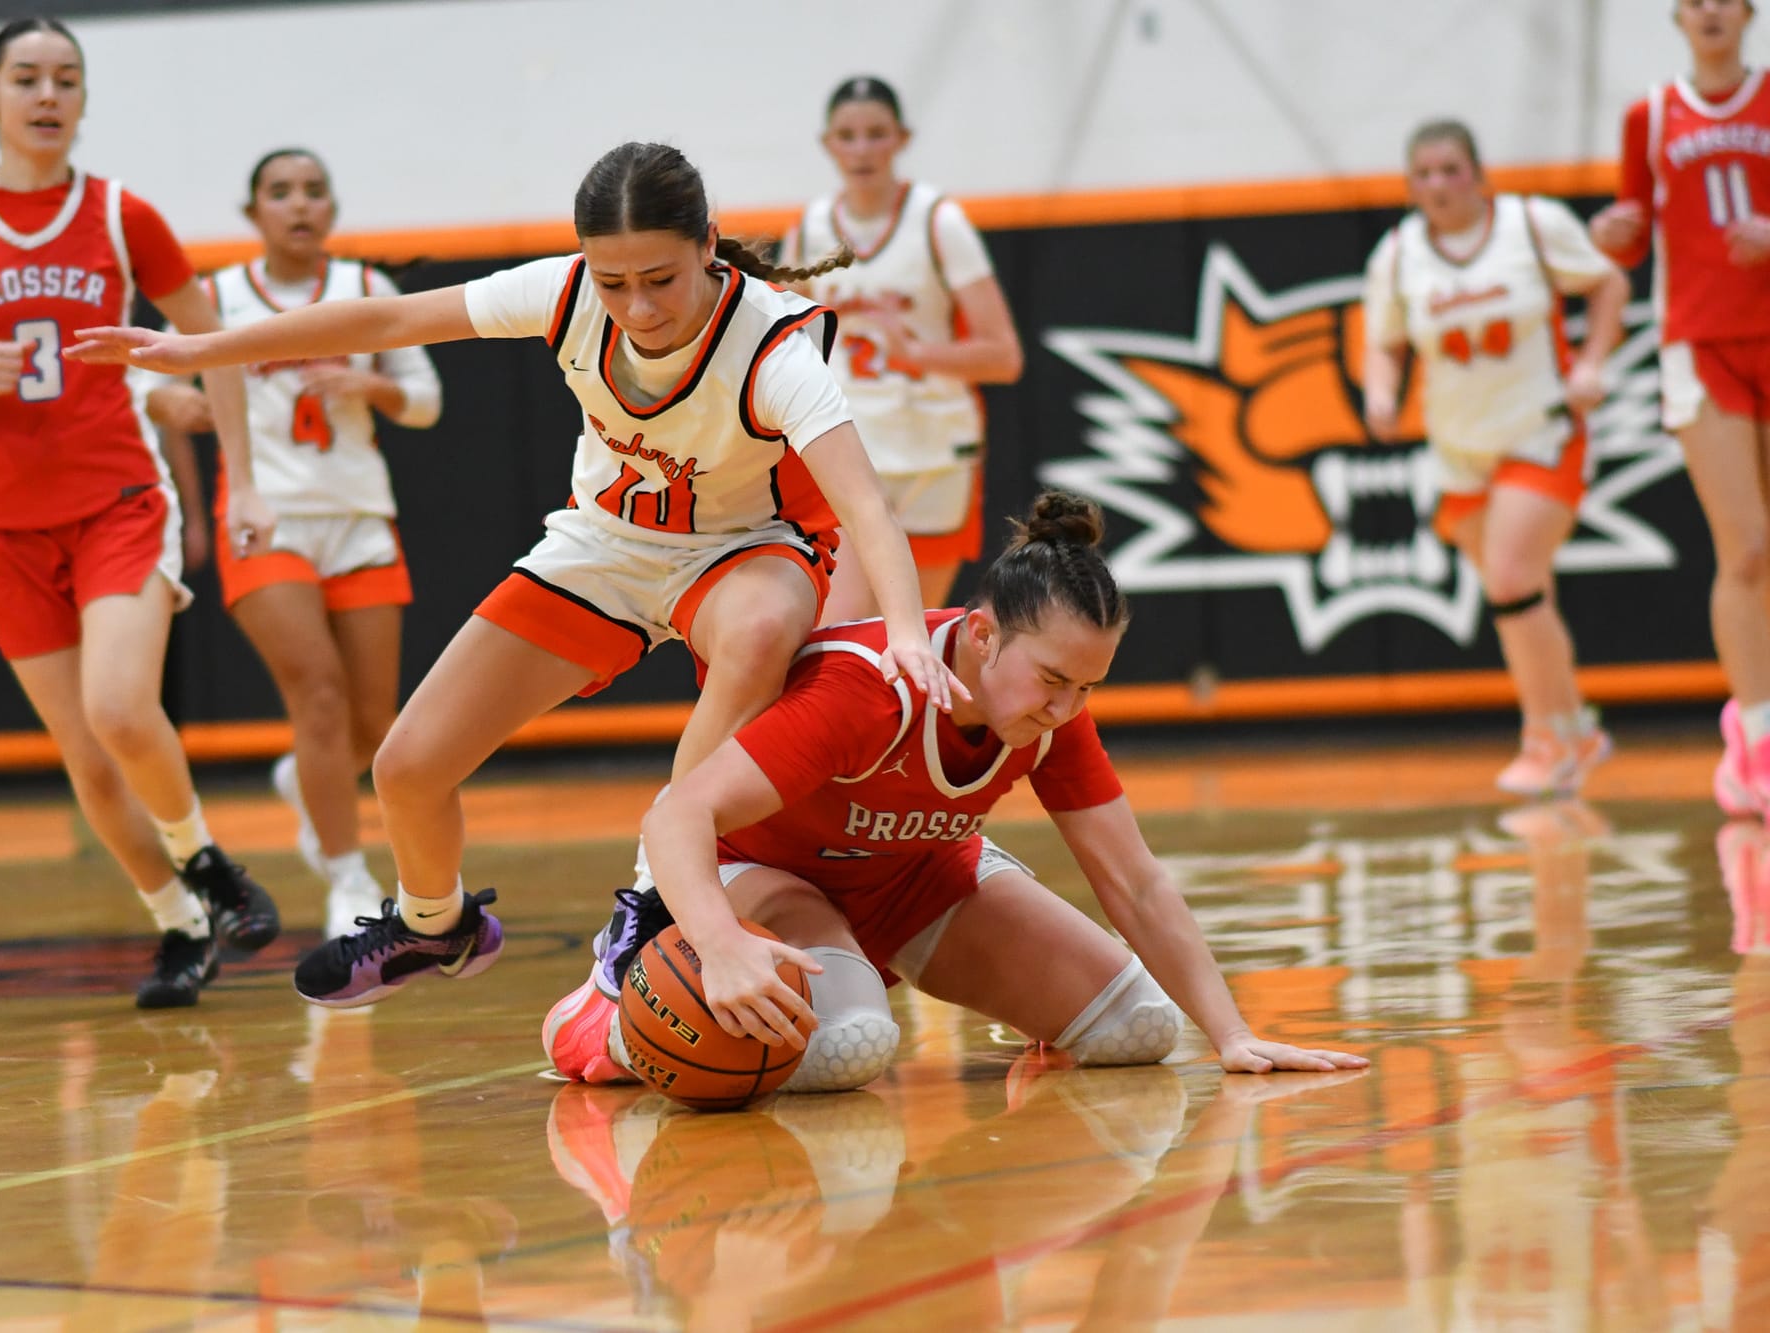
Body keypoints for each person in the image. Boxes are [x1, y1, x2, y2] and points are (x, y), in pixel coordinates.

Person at [69, 141, 963, 1009]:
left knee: (762, 628)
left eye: (660, 279)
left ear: (706, 246)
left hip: (747, 550)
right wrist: (201, 350)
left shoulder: (772, 345)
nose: (638, 306)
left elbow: (868, 509)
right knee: (408, 768)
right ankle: (435, 925)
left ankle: (658, 897)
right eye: (613, 282)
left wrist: (912, 637)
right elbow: (388, 321)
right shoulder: (565, 293)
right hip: (605, 543)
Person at [543, 491, 1371, 1091]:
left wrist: (1232, 1035)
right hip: (765, 873)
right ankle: (609, 1014)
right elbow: (676, 812)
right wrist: (717, 943)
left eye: (1088, 688)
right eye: (1053, 678)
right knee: (854, 1046)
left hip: (911, 876)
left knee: (1139, 1030)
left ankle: (980, 996)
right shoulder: (866, 689)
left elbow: (1137, 880)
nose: (1067, 706)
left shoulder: (1050, 714)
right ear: (980, 634)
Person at [0, 17, 279, 1009]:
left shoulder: (119, 216)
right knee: (89, 764)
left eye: (65, 77)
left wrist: (244, 477)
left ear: (84, 98)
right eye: (25, 78)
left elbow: (211, 342)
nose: (46, 95)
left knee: (118, 706)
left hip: (113, 498)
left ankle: (206, 861)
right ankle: (179, 925)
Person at [136, 148, 441, 938]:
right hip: (264, 514)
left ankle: (306, 781)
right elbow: (143, 377)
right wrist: (175, 399)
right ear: (254, 212)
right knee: (319, 694)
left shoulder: (369, 289)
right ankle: (347, 879)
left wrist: (369, 386)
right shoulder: (215, 295)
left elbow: (427, 402)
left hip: (360, 515)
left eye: (314, 191)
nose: (299, 205)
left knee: (375, 727)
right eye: (281, 192)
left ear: (332, 210)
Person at [1361, 119, 1628, 798]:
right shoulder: (1396, 256)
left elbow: (1608, 285)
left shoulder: (1532, 225)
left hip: (1542, 429)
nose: (1439, 184)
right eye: (1424, 173)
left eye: (1451, 169)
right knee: (1521, 597)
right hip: (1460, 449)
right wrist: (1382, 393)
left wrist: (1593, 362)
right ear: (1410, 186)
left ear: (1478, 172)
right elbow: (1383, 342)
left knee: (1511, 579)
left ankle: (1544, 738)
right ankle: (1576, 731)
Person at [1592, 0, 1770, 817]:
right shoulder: (1650, 115)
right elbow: (1631, 240)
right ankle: (1756, 741)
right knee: (1748, 549)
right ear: (1677, 16)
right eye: (1693, 0)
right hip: (1700, 343)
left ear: (1746, 13)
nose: (1708, 11)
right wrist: (1613, 231)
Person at [784, 76, 1024, 619]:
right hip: (851, 446)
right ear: (829, 145)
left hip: (933, 454)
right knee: (837, 631)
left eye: (876, 134)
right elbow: (783, 347)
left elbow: (1004, 356)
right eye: (848, 135)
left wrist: (916, 352)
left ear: (901, 139)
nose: (862, 149)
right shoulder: (809, 228)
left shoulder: (939, 222)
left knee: (907, 637)